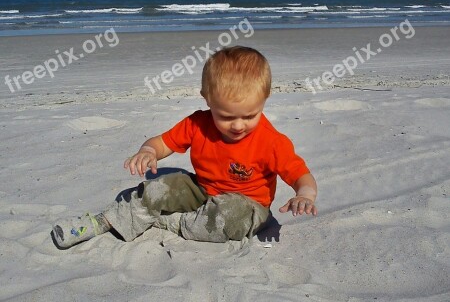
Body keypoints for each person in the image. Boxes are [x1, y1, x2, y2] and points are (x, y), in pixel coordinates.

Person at [52, 46, 318, 249]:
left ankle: (166, 221)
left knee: (230, 218)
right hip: (203, 190)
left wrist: (304, 195)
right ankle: (104, 221)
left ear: (264, 99)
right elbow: (162, 142)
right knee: (160, 187)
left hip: (249, 205)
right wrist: (149, 151)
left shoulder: (271, 141)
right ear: (207, 99)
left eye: (249, 116)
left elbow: (300, 175)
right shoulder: (197, 124)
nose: (238, 125)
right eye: (226, 117)